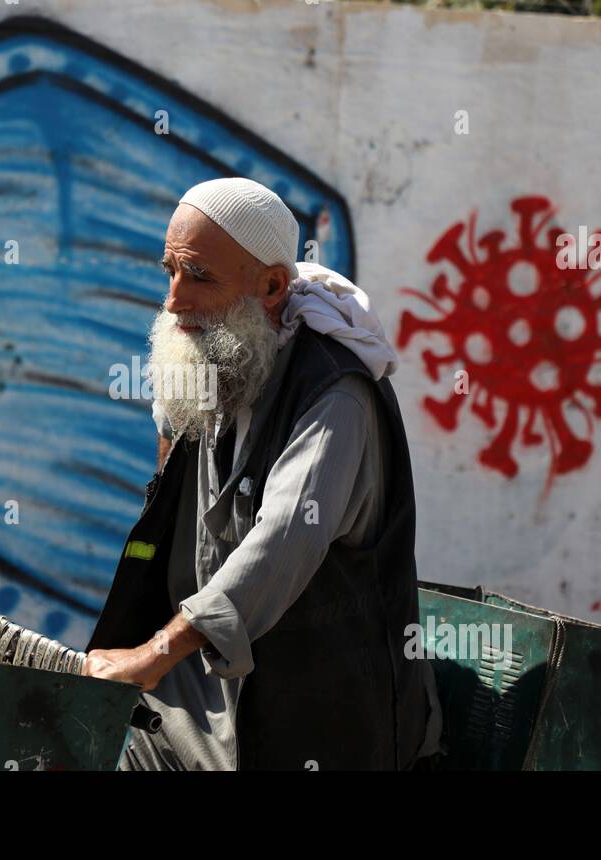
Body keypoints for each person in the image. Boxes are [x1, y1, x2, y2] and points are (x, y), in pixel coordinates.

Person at [83, 177, 441, 770]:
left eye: (199, 276)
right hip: (197, 717)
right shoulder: (223, 368)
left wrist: (154, 652)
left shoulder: (334, 394)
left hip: (318, 729)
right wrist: (171, 418)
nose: (174, 300)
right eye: (169, 271)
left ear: (272, 285)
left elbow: (282, 540)